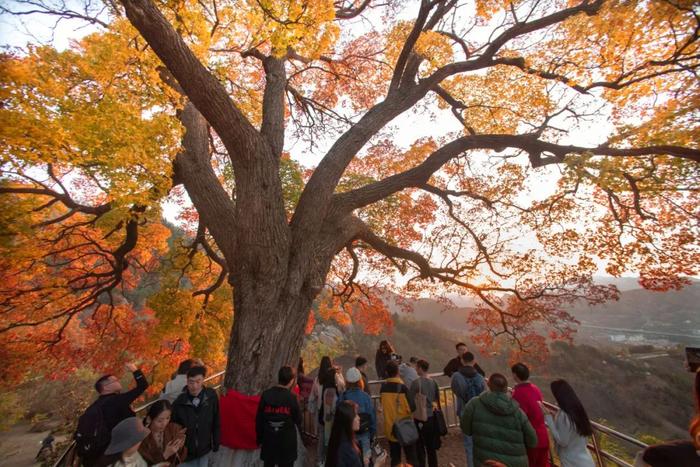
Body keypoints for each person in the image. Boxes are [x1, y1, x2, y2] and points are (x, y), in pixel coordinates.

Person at [76, 362, 149, 467]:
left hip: (100, 454)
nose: (118, 382)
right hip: (118, 452)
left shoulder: (95, 406)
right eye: (115, 381)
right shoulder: (117, 400)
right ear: (105, 388)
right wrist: (135, 370)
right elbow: (143, 385)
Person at [460, 373, 537, 467]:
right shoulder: (518, 412)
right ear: (506, 388)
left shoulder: (474, 404)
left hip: (485, 461)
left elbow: (466, 429)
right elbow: (533, 441)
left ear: (488, 384)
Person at [171, 366, 220, 467]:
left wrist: (216, 442)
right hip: (185, 453)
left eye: (198, 381)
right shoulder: (179, 402)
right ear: (187, 381)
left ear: (203, 380)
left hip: (204, 450)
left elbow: (216, 420)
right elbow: (172, 427)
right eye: (191, 382)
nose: (195, 386)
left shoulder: (211, 397)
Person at [539, 379, 595, 467]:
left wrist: (548, 417)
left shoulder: (564, 415)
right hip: (585, 460)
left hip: (572, 461)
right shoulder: (578, 410)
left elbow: (562, 441)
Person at [256, 366, 303, 467]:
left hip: (269, 440)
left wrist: (259, 439)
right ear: (291, 381)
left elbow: (259, 419)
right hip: (287, 442)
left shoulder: (266, 395)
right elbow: (298, 419)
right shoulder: (292, 398)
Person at [379, 361, 418, 466]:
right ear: (398, 372)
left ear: (387, 373)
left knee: (395, 458)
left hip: (391, 428)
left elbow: (382, 405)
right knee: (411, 457)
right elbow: (412, 407)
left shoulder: (383, 388)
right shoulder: (403, 388)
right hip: (405, 427)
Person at [450, 351, 486, 467]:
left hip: (464, 410)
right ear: (474, 361)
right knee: (480, 443)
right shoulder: (480, 377)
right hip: (478, 412)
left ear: (462, 361)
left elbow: (455, 391)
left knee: (468, 443)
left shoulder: (456, 376)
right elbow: (482, 393)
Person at [511, 363, 550, 467]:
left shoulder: (518, 393)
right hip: (543, 436)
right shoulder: (535, 388)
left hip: (531, 439)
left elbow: (519, 418)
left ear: (515, 375)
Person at [337, 367, 376, 466]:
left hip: (349, 437)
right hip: (365, 435)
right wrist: (371, 435)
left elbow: (338, 417)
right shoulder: (366, 397)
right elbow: (372, 418)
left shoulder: (343, 396)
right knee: (366, 462)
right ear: (360, 381)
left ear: (347, 381)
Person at [409, 359, 441, 467]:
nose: (415, 369)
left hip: (419, 417)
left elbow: (410, 399)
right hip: (431, 416)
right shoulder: (434, 382)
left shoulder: (416, 383)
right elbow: (437, 398)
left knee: (420, 446)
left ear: (421, 368)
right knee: (431, 447)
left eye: (417, 367)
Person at [314, 357, 346, 464]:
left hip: (321, 412)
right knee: (330, 437)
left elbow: (315, 394)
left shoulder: (319, 379)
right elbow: (342, 386)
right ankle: (329, 460)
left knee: (322, 437)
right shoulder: (333, 382)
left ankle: (320, 460)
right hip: (331, 415)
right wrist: (340, 374)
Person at [139, 400, 187, 466]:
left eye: (168, 418)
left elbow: (182, 459)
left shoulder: (174, 428)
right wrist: (165, 455)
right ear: (149, 419)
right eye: (160, 420)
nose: (164, 423)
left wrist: (180, 448)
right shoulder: (142, 438)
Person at [325, 401, 364, 467]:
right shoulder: (346, 448)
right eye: (355, 415)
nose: (359, 418)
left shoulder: (337, 438)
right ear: (347, 420)